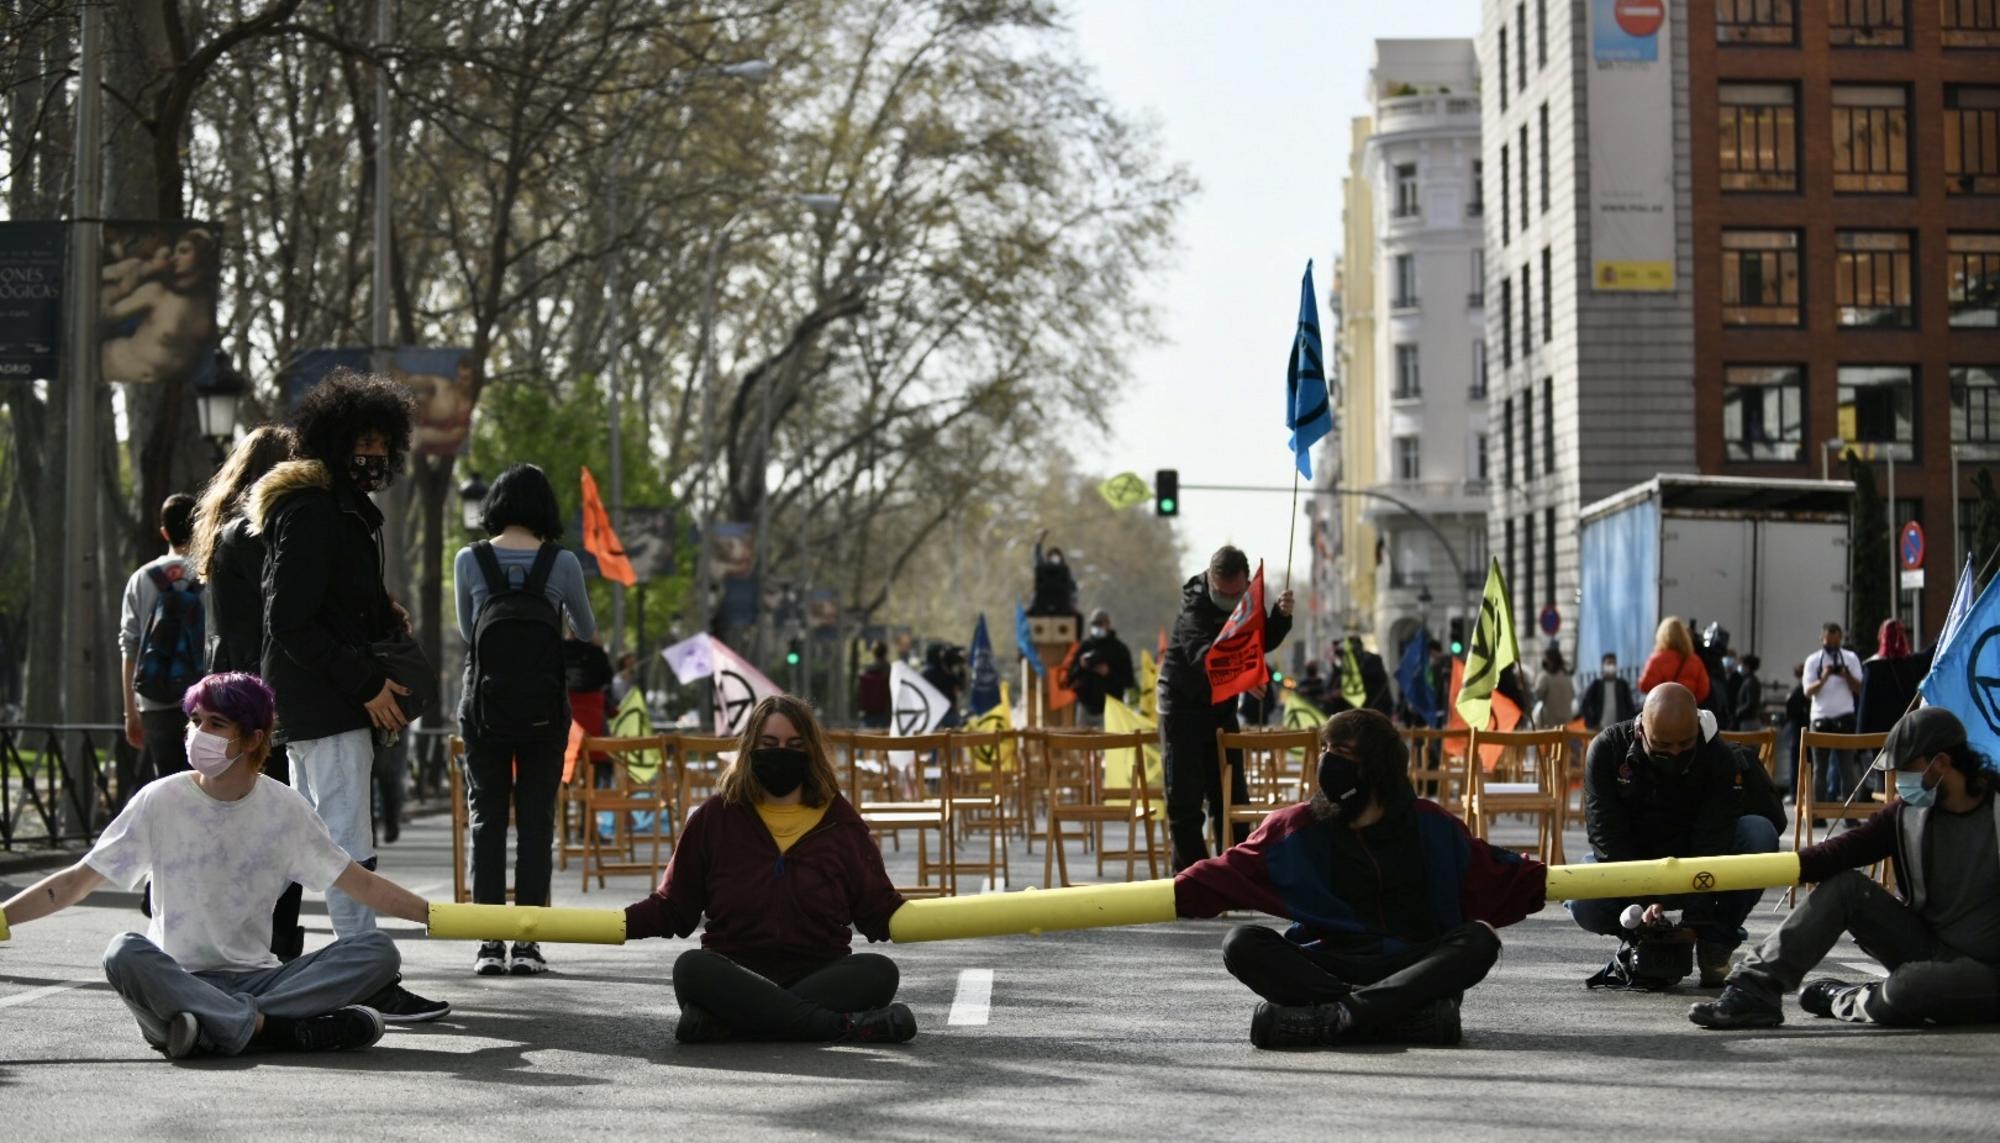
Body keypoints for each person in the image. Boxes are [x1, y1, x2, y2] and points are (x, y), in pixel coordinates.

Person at [0, 673, 432, 1058]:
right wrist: (2, 918)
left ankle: (216, 1027)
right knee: (123, 952)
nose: (197, 732)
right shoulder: (160, 800)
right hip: (175, 981)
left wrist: (436, 916)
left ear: (251, 739)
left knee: (376, 951)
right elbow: (75, 883)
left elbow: (361, 885)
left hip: (260, 982)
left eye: (215, 724)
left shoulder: (285, 809)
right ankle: (275, 1030)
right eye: (195, 720)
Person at [250, 369, 446, 1022]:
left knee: (322, 842)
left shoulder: (337, 509)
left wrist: (380, 616)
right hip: (327, 703)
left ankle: (296, 963)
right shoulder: (314, 510)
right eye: (363, 439)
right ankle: (364, 972)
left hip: (320, 701)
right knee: (346, 844)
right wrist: (365, 683)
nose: (376, 454)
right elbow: (289, 618)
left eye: (382, 441)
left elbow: (323, 605)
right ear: (333, 441)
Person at [1175, 709, 1546, 1048]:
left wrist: (1564, 880)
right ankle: (1389, 1015)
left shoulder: (1431, 826)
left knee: (1478, 940)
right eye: (1326, 749)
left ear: (1377, 767)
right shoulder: (1297, 827)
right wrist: (1176, 891)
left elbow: (1501, 873)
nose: (1327, 761)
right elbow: (1226, 872)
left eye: (1343, 753)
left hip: (1411, 963)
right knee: (1241, 942)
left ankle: (1336, 1017)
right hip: (1329, 964)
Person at [624, 695, 915, 1044]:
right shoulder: (715, 818)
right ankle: (843, 1027)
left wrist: (950, 917)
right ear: (750, 749)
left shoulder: (841, 822)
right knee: (691, 968)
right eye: (769, 744)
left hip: (821, 973)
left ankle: (730, 1023)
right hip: (734, 974)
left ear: (811, 752)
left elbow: (878, 909)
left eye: (795, 745)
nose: (782, 753)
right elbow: (673, 907)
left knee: (879, 972)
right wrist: (614, 924)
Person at [1691, 707, 2000, 1029]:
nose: (1897, 783)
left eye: (1907, 770)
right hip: (1927, 947)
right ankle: (1754, 990)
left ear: (1941, 764)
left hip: (1988, 970)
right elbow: (1840, 853)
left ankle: (1845, 997)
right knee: (1846, 887)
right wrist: (1778, 867)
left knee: (1910, 988)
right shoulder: (1906, 816)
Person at [453, 462, 597, 978]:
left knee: (486, 819)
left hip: (483, 709)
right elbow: (585, 628)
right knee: (536, 822)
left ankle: (488, 943)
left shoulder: (469, 559)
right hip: (543, 710)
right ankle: (529, 945)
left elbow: (470, 634)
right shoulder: (563, 563)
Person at [1570, 683, 1785, 987]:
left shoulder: (1717, 756)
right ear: (1641, 731)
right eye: (1663, 748)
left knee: (1758, 834)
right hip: (1634, 863)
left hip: (1698, 865)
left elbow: (1712, 842)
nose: (1674, 755)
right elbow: (1609, 841)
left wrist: (1694, 923)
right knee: (1581, 897)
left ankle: (1716, 944)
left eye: (1685, 746)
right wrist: (1643, 906)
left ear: (1697, 728)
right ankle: (1639, 939)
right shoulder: (1607, 751)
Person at [188, 425, 303, 958]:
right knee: (277, 818)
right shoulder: (257, 533)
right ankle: (274, 941)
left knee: (238, 814)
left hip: (228, 681)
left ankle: (239, 936)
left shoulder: (221, 528)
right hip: (260, 689)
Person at [1157, 545, 1295, 871]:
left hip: (1221, 709)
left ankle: (1236, 873)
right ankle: (1192, 876)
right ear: (1209, 579)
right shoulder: (1193, 602)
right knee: (1185, 799)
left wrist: (1281, 615)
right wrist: (1245, 678)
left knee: (1231, 795)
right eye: (1221, 593)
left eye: (1235, 593)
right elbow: (1204, 655)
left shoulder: (1249, 600)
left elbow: (1258, 641)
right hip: (1182, 706)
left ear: (1246, 582)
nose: (1227, 600)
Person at [120, 494, 205, 789]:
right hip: (202, 698)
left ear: (164, 533)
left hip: (154, 698)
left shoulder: (141, 579)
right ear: (199, 527)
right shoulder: (211, 574)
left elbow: (129, 646)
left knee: (167, 784)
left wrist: (130, 710)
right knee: (204, 782)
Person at [1803, 622, 1865, 810]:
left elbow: (1860, 688)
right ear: (1821, 639)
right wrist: (1825, 677)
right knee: (1819, 769)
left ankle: (1850, 813)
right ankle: (1818, 812)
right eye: (1828, 643)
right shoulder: (1814, 660)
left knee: (1847, 768)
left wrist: (1846, 675)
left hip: (1844, 716)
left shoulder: (1850, 658)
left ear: (1841, 640)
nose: (1832, 648)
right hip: (1821, 718)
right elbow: (1808, 691)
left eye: (1836, 643)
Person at [1858, 619, 1929, 742]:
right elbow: (1932, 653)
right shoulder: (1912, 663)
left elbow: (1865, 705)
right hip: (1906, 730)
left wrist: (1860, 738)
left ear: (1881, 637)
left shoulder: (1872, 668)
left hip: (1880, 736)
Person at [1070, 607, 1137, 728]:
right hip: (1085, 709)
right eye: (1095, 624)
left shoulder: (1119, 649)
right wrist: (1081, 666)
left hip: (1110, 709)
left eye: (1100, 623)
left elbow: (1129, 681)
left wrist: (1109, 672)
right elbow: (1070, 677)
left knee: (1107, 745)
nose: (1097, 627)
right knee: (1081, 745)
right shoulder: (1084, 647)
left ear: (1108, 624)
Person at [1639, 617, 1709, 702]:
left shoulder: (1657, 659)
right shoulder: (1695, 661)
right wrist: (1690, 701)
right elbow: (1703, 689)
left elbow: (1645, 685)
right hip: (1687, 710)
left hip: (1662, 709)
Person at [1577, 652, 1638, 732]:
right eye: (1608, 663)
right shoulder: (1596, 685)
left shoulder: (1622, 685)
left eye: (1613, 663)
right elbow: (1584, 705)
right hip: (1600, 730)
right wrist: (1592, 724)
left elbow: (1631, 708)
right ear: (1602, 666)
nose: (1610, 666)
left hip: (1618, 730)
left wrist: (1626, 726)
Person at [1781, 662, 1808, 798]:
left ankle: (1795, 792)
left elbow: (1790, 708)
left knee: (1795, 763)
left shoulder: (1799, 689)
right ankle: (1801, 791)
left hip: (1797, 731)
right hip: (1802, 730)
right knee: (1804, 763)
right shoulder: (1805, 688)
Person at [1532, 644, 1574, 729]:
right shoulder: (1567, 676)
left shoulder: (1545, 676)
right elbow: (1572, 695)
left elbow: (1538, 695)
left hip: (1550, 724)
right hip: (1567, 724)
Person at [856, 642, 891, 729]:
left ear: (873, 653)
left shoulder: (866, 669)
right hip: (885, 711)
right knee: (887, 739)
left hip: (868, 711)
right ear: (885, 653)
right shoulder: (890, 670)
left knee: (867, 739)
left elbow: (859, 691)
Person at [1730, 654, 1765, 732]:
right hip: (1749, 721)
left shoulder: (1750, 682)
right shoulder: (1750, 680)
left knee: (1747, 744)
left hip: (1748, 723)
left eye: (1741, 665)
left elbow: (1751, 702)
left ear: (1747, 666)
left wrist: (1738, 711)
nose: (1740, 667)